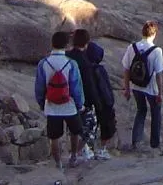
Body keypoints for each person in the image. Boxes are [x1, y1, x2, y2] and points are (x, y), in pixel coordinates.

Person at [35, 31, 85, 171]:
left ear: (52, 44)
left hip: (51, 105)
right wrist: (79, 104)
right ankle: (73, 157)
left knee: (54, 137)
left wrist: (41, 103)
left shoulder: (43, 63)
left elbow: (39, 86)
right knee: (75, 132)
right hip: (69, 105)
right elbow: (76, 87)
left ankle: (58, 164)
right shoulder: (71, 63)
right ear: (67, 45)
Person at [66, 29, 111, 161]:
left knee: (73, 127)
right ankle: (81, 151)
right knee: (89, 126)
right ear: (86, 43)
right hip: (82, 99)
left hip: (65, 97)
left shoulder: (67, 56)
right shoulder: (85, 62)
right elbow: (89, 84)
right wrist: (96, 102)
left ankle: (77, 152)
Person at [121, 20, 163, 151]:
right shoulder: (156, 51)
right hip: (151, 87)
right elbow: (159, 74)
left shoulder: (132, 47)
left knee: (141, 110)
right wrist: (160, 93)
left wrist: (127, 88)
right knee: (156, 113)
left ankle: (136, 141)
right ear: (154, 34)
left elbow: (126, 69)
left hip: (136, 85)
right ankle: (155, 143)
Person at [85, 40, 117, 158]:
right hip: (102, 102)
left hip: (89, 101)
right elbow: (104, 87)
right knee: (106, 126)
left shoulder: (85, 68)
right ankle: (102, 149)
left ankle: (88, 149)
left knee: (90, 127)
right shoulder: (99, 70)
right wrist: (109, 101)